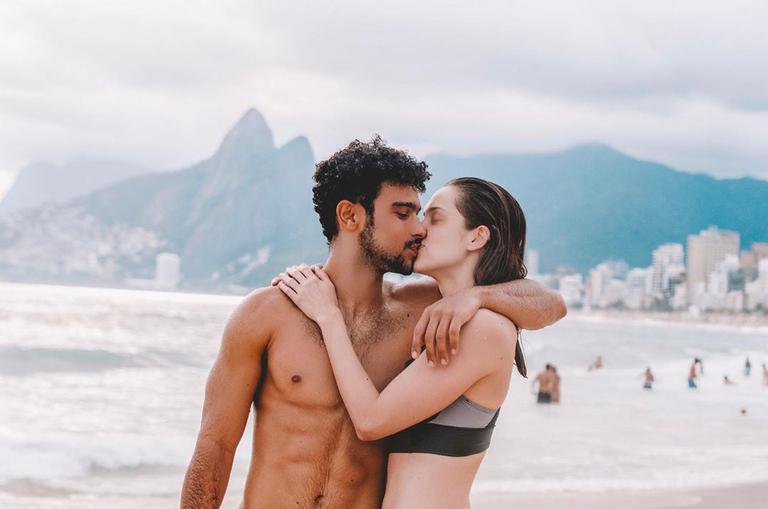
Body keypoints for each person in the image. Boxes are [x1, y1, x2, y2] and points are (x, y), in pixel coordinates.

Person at [180, 139, 567, 508]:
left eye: (421, 214)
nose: (418, 229)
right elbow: (215, 448)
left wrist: (477, 296)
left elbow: (549, 304)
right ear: (350, 215)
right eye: (403, 214)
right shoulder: (267, 313)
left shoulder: (428, 311)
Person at [278, 176, 539, 508]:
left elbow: (371, 421)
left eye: (436, 218)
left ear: (477, 236)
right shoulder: (449, 316)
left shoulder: (482, 328)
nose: (420, 230)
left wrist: (328, 316)